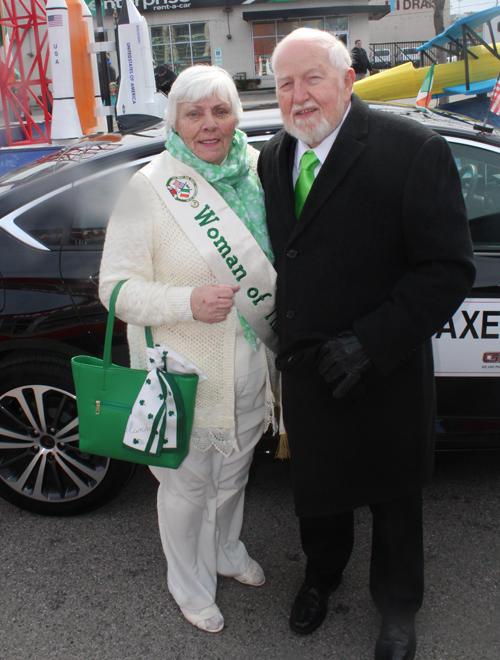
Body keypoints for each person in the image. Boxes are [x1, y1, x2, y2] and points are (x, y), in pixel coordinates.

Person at [257, 28, 475, 660]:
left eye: (312, 79)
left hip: (385, 368)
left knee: (394, 500)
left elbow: (446, 269)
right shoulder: (277, 155)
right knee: (318, 492)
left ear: (348, 77)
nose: (298, 97)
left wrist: (369, 343)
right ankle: (321, 577)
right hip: (308, 365)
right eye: (285, 84)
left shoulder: (413, 150)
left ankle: (398, 610)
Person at [99, 65, 278, 634]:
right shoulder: (147, 187)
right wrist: (186, 301)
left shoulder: (258, 172)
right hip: (182, 374)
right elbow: (115, 290)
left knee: (235, 474)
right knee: (185, 487)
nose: (209, 125)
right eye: (194, 113)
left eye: (220, 111)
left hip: (254, 366)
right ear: (175, 119)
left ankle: (225, 549)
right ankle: (190, 583)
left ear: (237, 116)